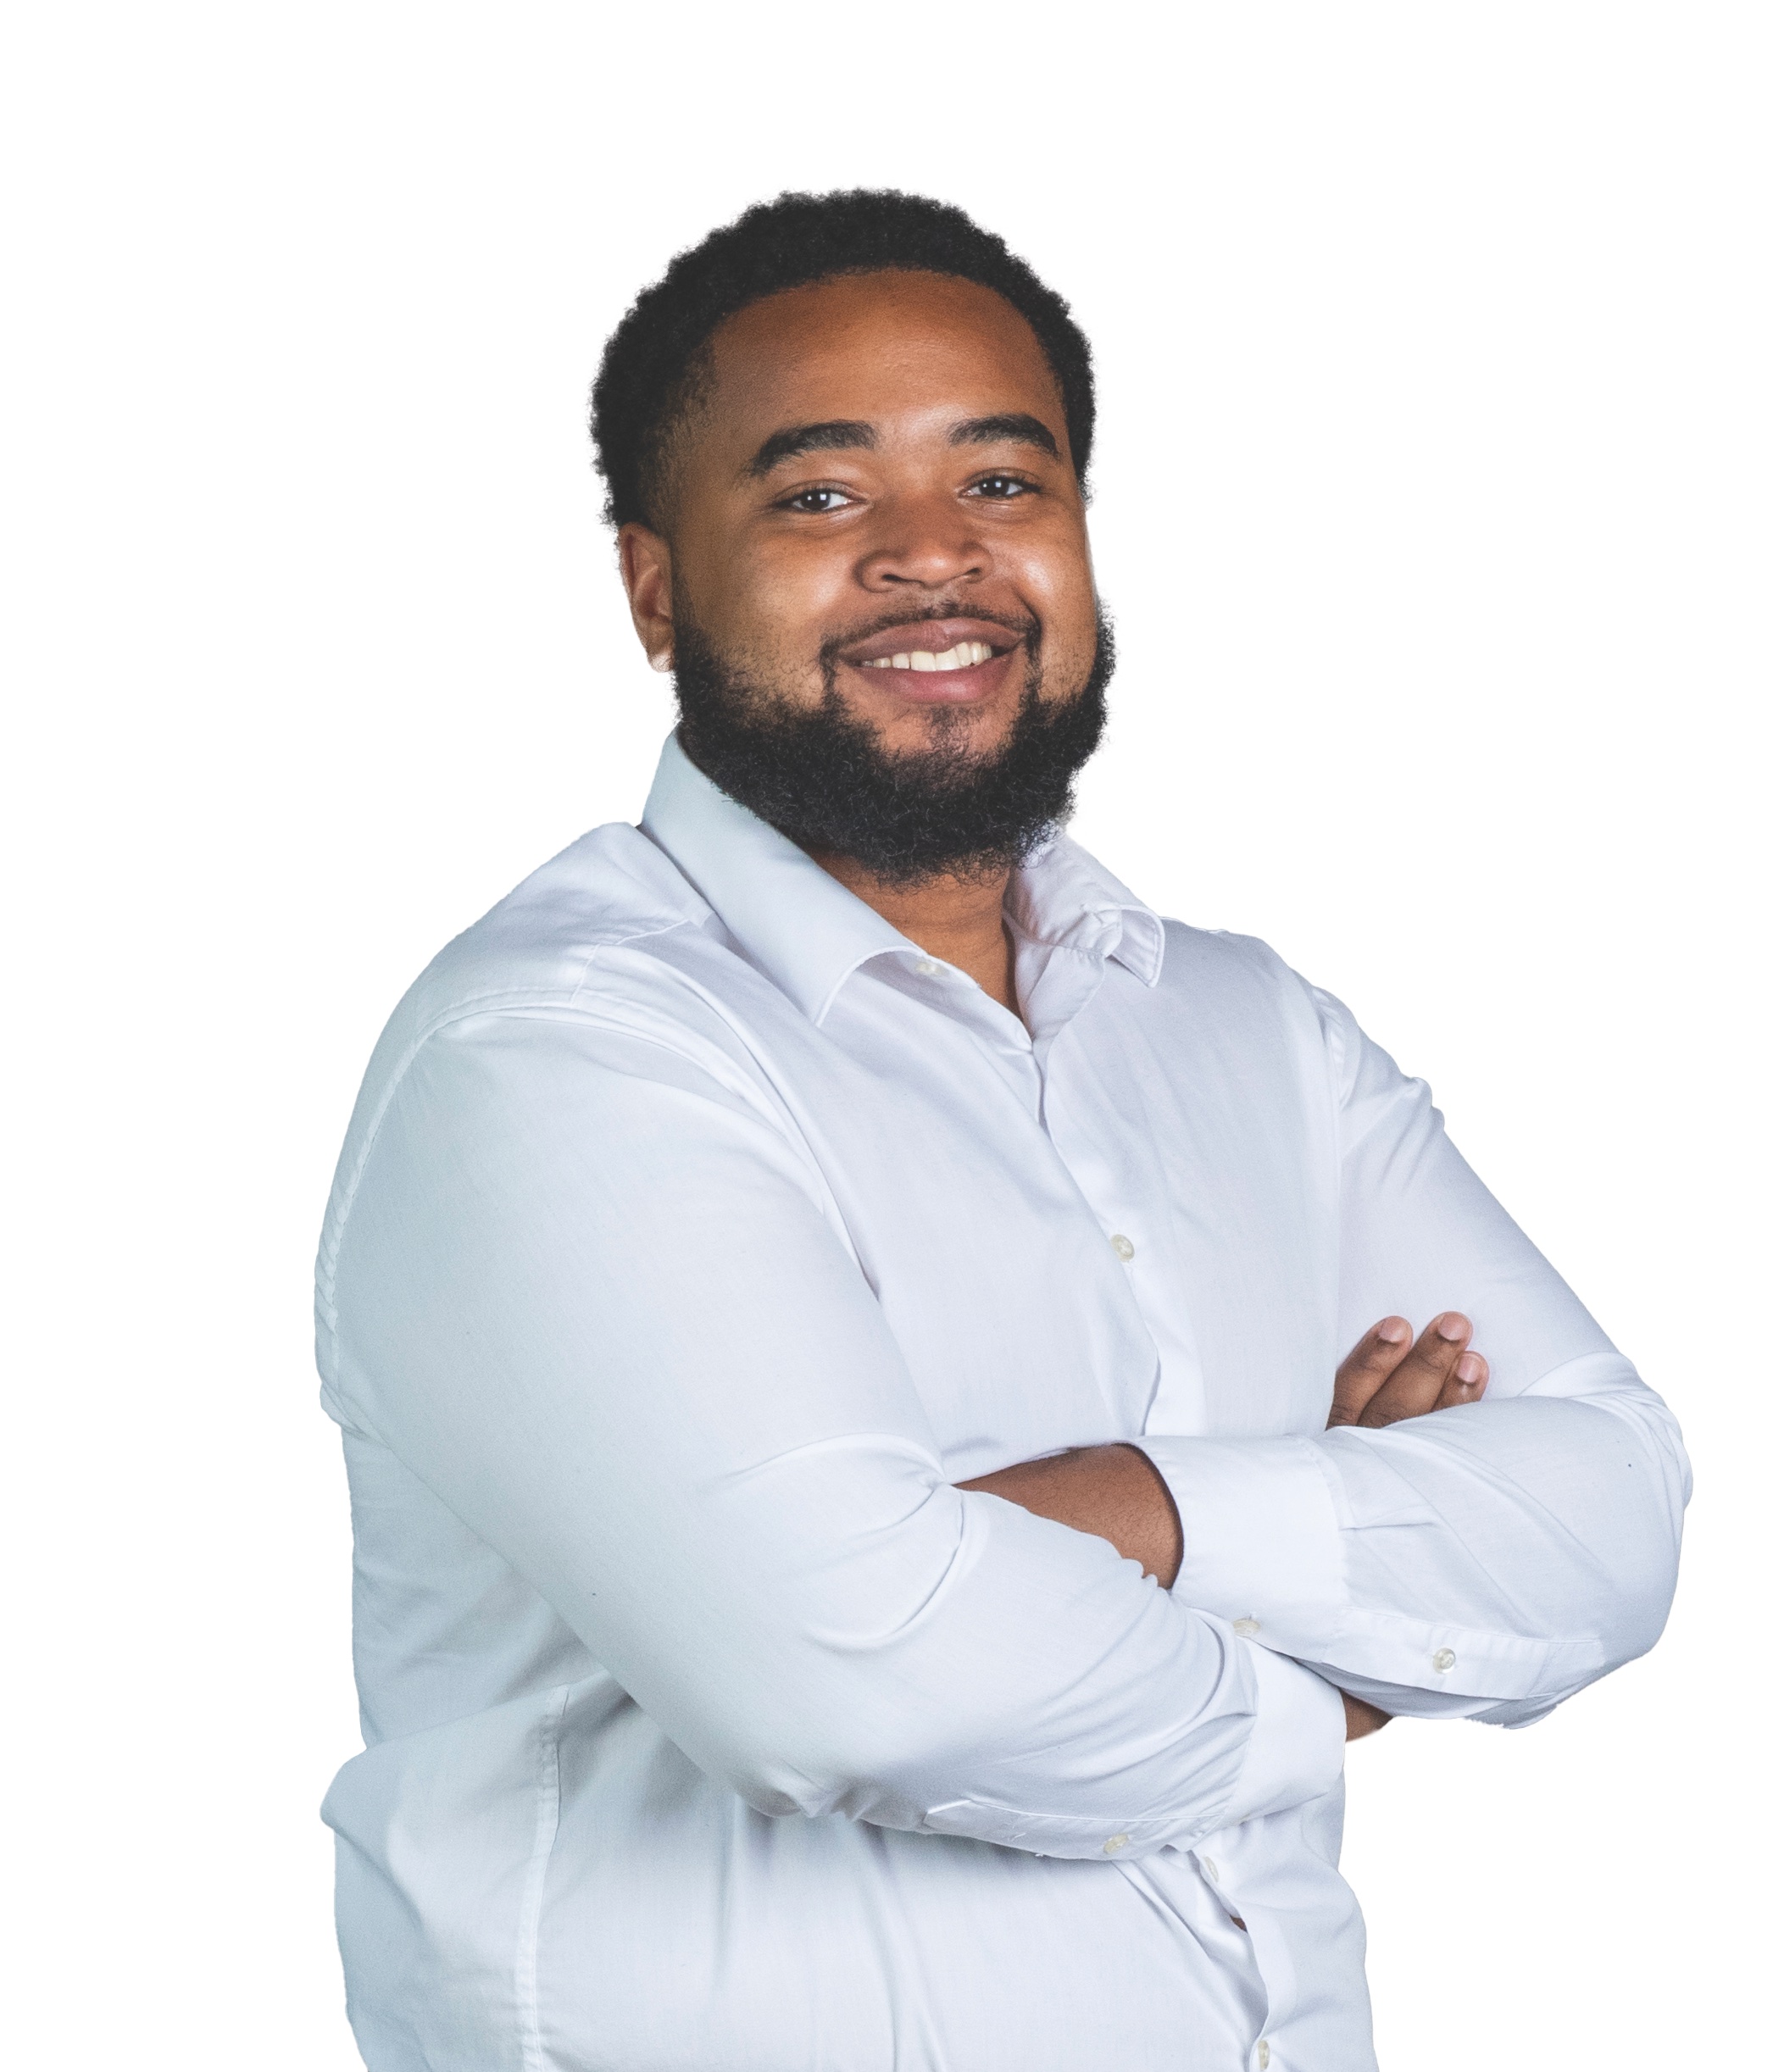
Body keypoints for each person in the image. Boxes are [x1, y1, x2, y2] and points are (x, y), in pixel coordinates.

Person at [314, 190, 1687, 2071]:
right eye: (820, 494)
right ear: (654, 589)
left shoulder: (1248, 1031)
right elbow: (850, 1671)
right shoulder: (557, 1055)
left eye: (1000, 481)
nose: (930, 554)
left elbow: (1611, 1506)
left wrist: (1126, 1510)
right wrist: (1341, 1652)